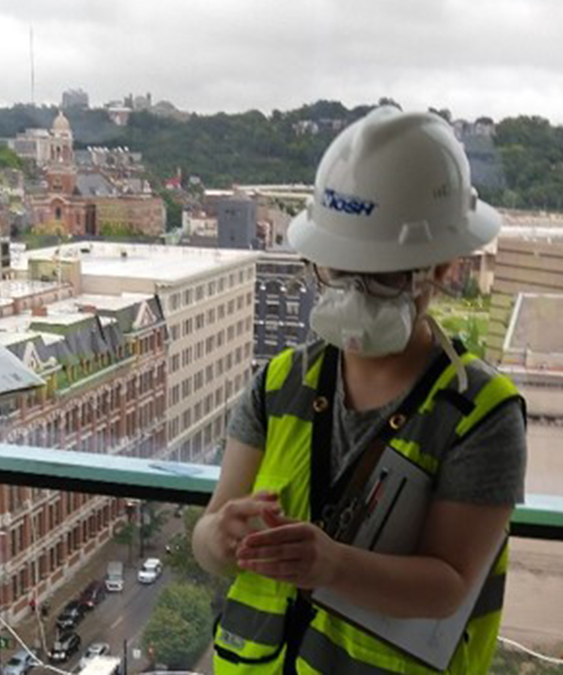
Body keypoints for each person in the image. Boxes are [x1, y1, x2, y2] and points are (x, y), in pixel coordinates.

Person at [192, 106, 527, 675]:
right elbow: (210, 536)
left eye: (384, 274)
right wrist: (218, 538)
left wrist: (334, 566)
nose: (353, 294)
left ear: (444, 268)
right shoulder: (280, 384)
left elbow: (449, 586)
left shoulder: (479, 414)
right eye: (338, 270)